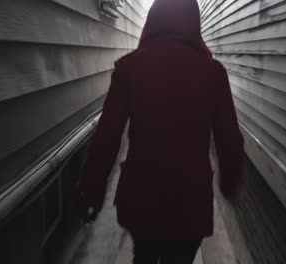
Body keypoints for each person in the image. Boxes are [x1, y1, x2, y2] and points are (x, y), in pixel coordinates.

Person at [75, 0, 244, 263]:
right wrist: (229, 183)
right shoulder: (213, 75)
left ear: (152, 21)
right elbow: (230, 141)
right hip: (190, 204)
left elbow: (106, 137)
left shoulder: (128, 69)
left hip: (142, 200)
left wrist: (92, 190)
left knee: (143, 256)